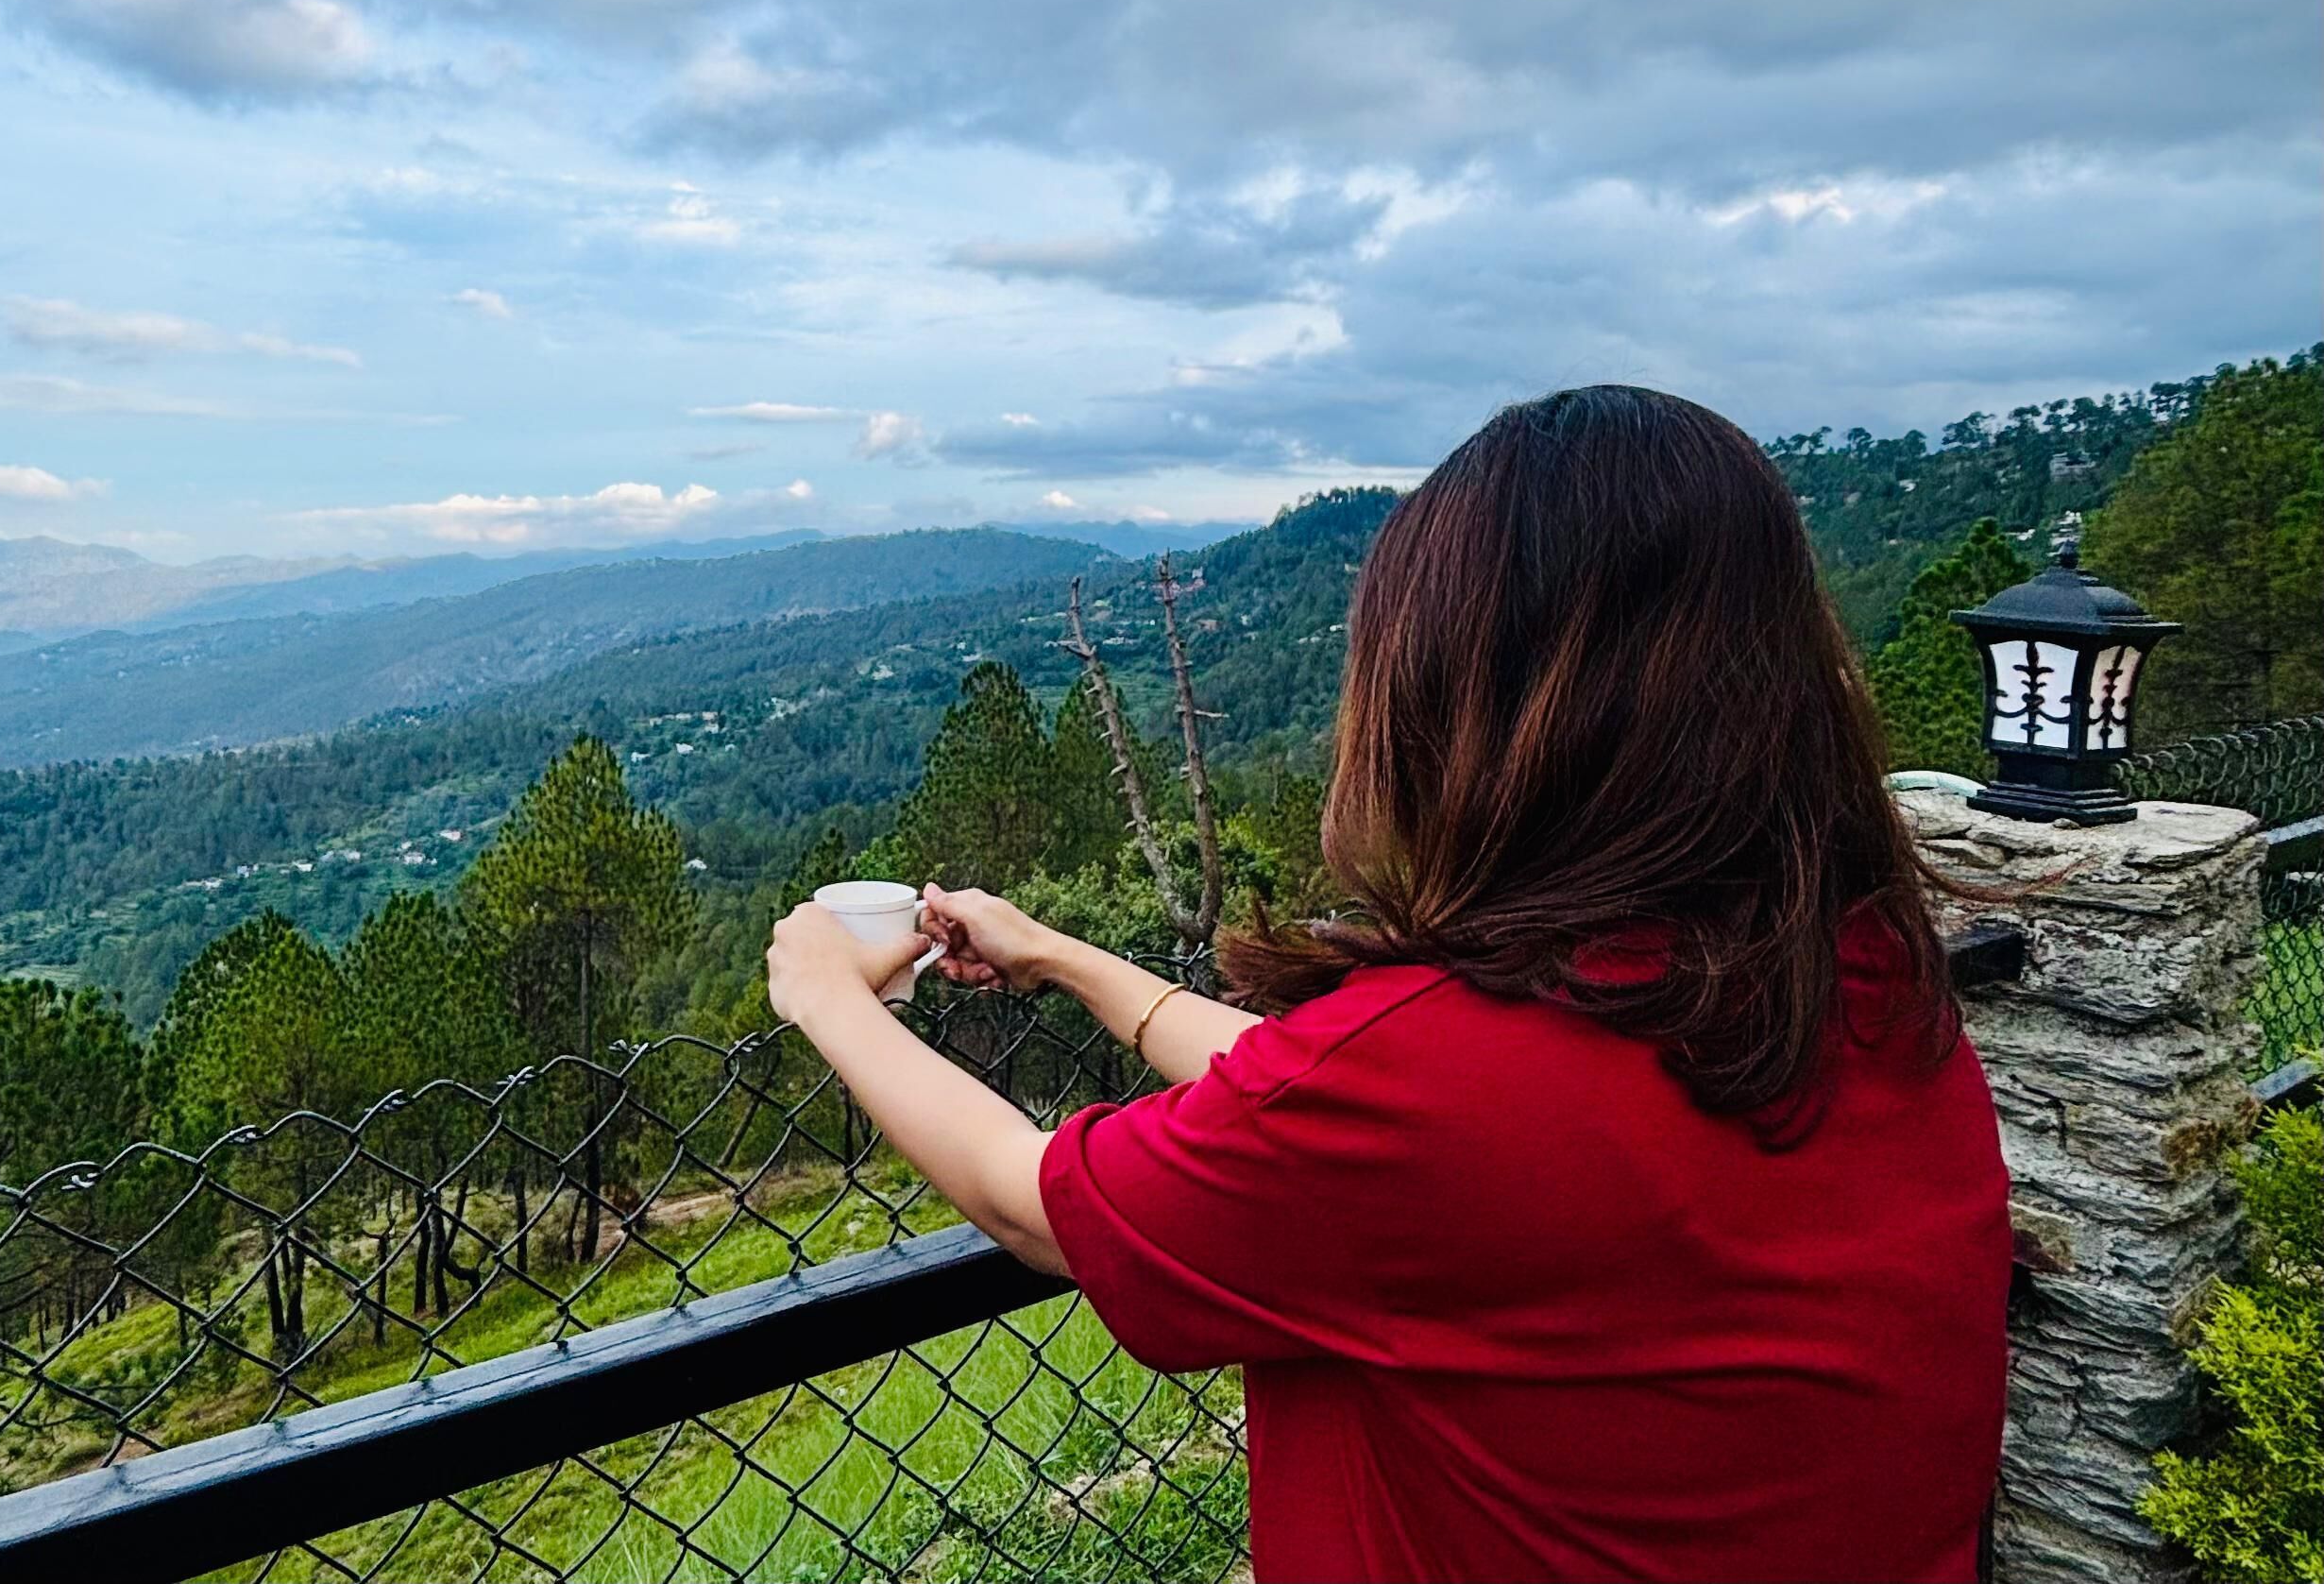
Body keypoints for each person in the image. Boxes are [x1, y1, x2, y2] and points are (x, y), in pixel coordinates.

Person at [766, 384, 2009, 1583]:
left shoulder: (1444, 1081)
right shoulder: (1858, 983)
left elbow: (1036, 1202)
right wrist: (1061, 957)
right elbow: (1372, 1110)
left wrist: (827, 993)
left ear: (1457, 702)